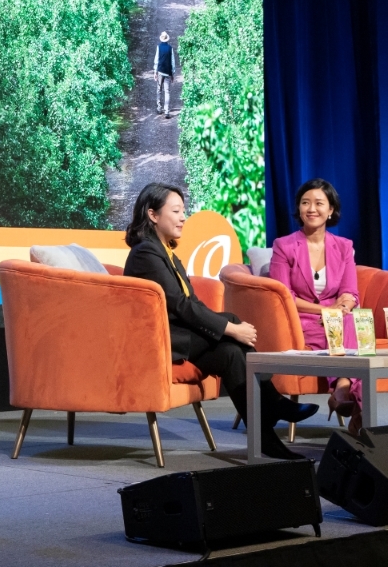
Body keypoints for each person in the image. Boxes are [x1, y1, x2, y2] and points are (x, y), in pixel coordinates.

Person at [123, 183, 319, 460]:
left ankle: (265, 433)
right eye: (176, 211)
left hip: (179, 335)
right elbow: (180, 306)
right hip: (161, 341)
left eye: (183, 211)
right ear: (153, 215)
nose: (183, 217)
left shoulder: (166, 252)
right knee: (231, 329)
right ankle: (272, 406)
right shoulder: (146, 252)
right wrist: (230, 329)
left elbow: (191, 302)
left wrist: (230, 325)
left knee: (230, 352)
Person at [269, 179, 364, 435]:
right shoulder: (284, 245)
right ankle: (353, 406)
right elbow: (283, 295)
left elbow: (350, 292)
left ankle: (344, 389)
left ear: (331, 210)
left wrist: (342, 305)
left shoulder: (344, 247)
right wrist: (326, 311)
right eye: (305, 203)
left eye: (319, 203)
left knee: (350, 319)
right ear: (299, 209)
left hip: (336, 320)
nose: (312, 208)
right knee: (346, 328)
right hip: (301, 321)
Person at [153, 31, 177, 119]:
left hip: (160, 72)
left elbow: (156, 60)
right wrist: (172, 74)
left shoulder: (158, 47)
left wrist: (155, 72)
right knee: (167, 91)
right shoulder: (170, 48)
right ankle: (167, 111)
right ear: (167, 39)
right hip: (167, 72)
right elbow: (173, 62)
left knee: (159, 89)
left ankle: (159, 108)